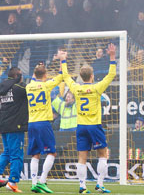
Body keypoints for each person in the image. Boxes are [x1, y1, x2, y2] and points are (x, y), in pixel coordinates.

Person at [62, 43, 116, 194]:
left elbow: (66, 77)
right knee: (102, 154)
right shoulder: (97, 88)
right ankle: (99, 184)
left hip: (81, 126)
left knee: (82, 157)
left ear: (81, 76)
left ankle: (82, 186)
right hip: (94, 125)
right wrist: (112, 57)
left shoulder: (76, 88)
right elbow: (111, 75)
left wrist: (63, 60)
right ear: (92, 76)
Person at [25, 52, 64, 193]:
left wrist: (38, 68)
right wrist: (62, 60)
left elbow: (35, 77)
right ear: (45, 76)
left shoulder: (29, 86)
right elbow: (61, 76)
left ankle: (34, 183)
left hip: (31, 123)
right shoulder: (47, 85)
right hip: (43, 123)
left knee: (35, 154)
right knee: (51, 153)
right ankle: (42, 181)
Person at [0, 67, 27, 193]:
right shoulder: (19, 88)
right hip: (15, 126)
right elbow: (30, 90)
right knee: (17, 155)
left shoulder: (2, 87)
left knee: (7, 152)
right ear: (18, 76)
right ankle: (12, 181)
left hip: (4, 125)